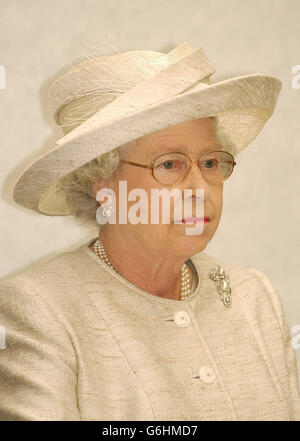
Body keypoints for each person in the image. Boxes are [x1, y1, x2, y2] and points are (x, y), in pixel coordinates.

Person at [0, 42, 299, 421]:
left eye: (210, 162)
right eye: (170, 165)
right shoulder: (39, 312)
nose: (200, 189)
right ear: (102, 183)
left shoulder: (252, 296)